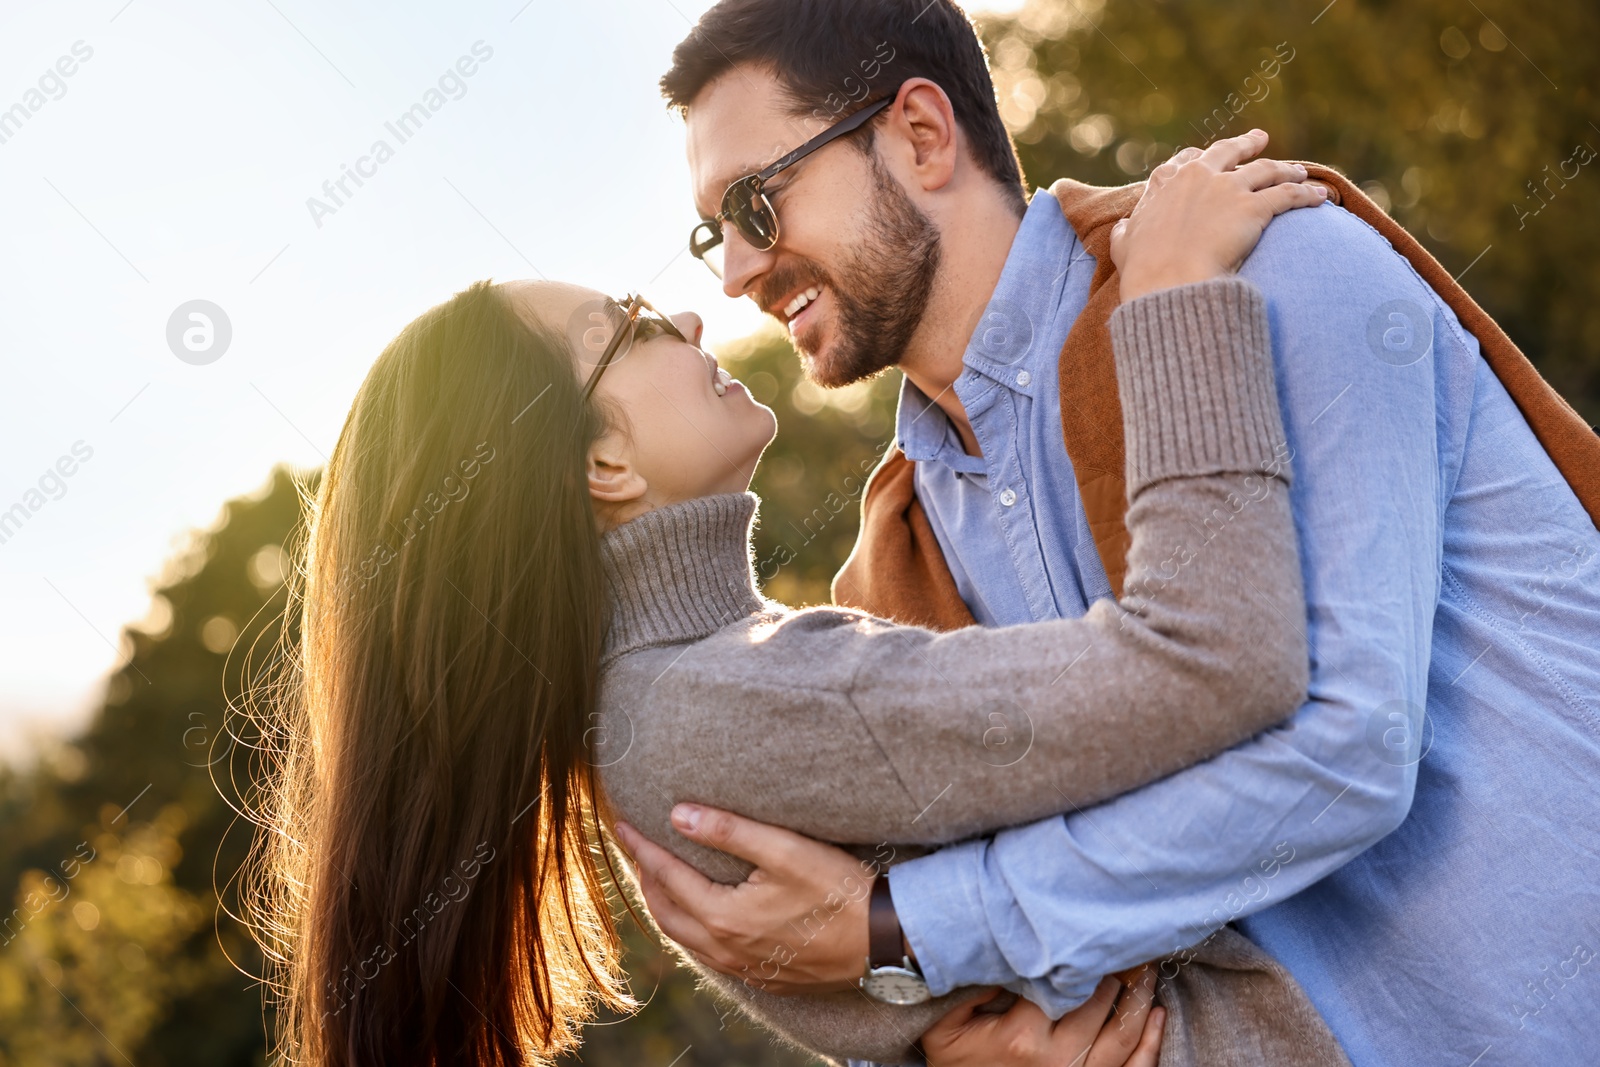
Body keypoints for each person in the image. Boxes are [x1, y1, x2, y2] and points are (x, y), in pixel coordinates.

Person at [621, 2, 1600, 1066]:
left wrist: (899, 928)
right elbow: (950, 1005)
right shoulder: (891, 573)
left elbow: (1350, 748)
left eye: (757, 204)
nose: (732, 273)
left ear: (918, 133)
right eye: (711, 231)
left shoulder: (1267, 270)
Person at [245, 136, 1326, 1065]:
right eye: (627, 326)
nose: (687, 316)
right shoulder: (716, 702)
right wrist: (1179, 302)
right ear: (602, 461)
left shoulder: (684, 695)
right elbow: (1216, 659)